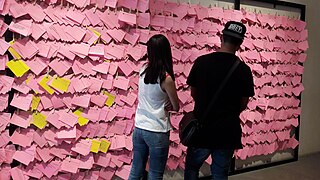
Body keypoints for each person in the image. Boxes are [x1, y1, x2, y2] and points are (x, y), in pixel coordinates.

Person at [184, 21, 255, 180]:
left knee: (191, 170)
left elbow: (194, 93)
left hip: (202, 128)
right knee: (220, 174)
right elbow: (243, 103)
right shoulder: (244, 70)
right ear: (240, 43)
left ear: (221, 38)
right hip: (227, 131)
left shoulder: (201, 62)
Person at [129, 34, 180, 180]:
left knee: (135, 171)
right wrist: (167, 103)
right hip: (157, 130)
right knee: (155, 175)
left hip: (139, 127)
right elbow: (176, 106)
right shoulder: (166, 78)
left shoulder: (143, 69)